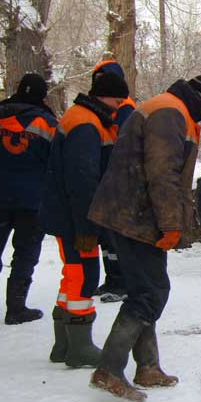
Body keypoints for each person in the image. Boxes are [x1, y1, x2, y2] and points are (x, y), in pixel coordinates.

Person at [88, 74, 201, 402]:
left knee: (144, 289)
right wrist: (171, 225)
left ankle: (147, 366)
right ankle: (109, 368)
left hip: (129, 213)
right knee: (150, 292)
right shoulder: (170, 114)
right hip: (134, 216)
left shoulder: (169, 107)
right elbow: (162, 174)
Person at [39, 72, 129, 367]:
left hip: (67, 215)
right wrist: (87, 228)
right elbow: (82, 181)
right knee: (84, 276)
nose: (118, 108)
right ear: (104, 96)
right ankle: (79, 347)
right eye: (117, 101)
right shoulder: (86, 125)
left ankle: (63, 345)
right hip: (76, 218)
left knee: (73, 275)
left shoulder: (83, 118)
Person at [0, 74, 57, 324]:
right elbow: (56, 163)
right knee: (25, 253)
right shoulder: (48, 123)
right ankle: (16, 307)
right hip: (33, 201)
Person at [91, 60, 137, 303]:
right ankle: (113, 280)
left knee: (114, 238)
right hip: (106, 179)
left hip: (117, 180)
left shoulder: (124, 109)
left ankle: (121, 282)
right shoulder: (105, 109)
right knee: (106, 238)